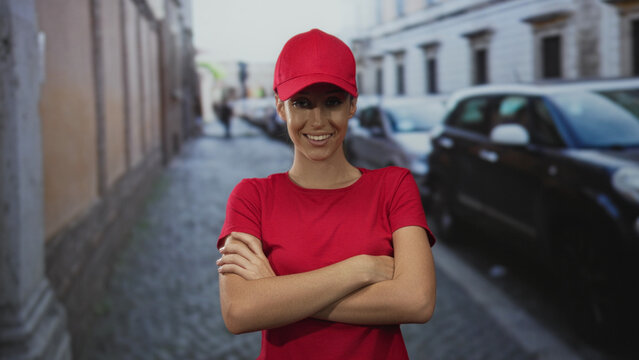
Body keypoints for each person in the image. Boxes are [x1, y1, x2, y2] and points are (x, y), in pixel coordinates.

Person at [216, 29, 436, 360]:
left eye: (332, 102)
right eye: (301, 103)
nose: (317, 121)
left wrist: (277, 294)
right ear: (280, 107)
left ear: (352, 106)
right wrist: (361, 269)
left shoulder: (393, 187)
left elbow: (416, 301)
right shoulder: (252, 197)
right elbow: (239, 311)